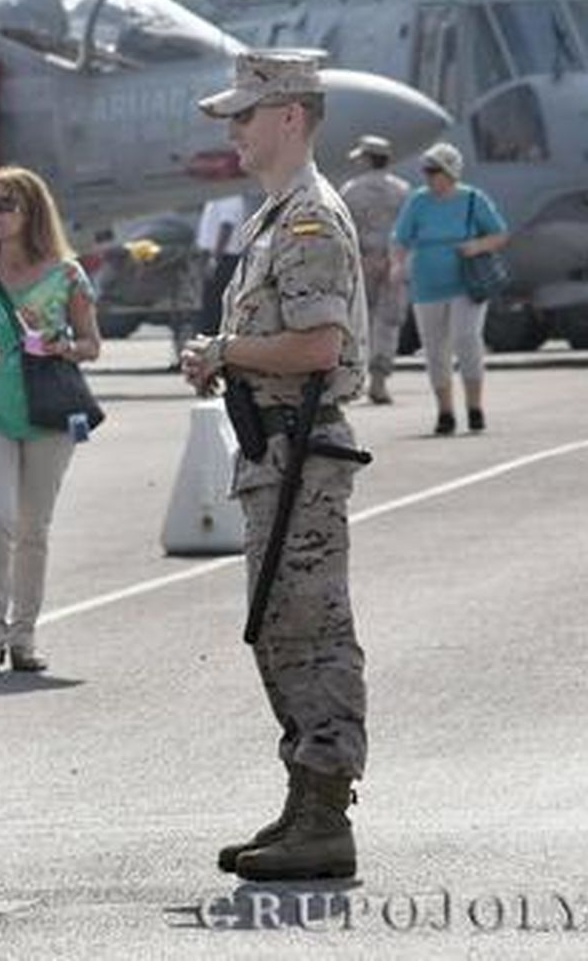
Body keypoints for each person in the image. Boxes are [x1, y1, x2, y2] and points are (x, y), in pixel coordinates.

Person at [180, 51, 370, 882]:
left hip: (301, 452)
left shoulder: (308, 220)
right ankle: (305, 799)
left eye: (246, 115)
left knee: (310, 627)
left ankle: (326, 813)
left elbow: (318, 345)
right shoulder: (272, 216)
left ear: (290, 116)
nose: (235, 130)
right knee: (279, 626)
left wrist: (225, 349)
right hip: (273, 450)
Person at [0, 165, 101, 674]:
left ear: (31, 211)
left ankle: (24, 637)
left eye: (6, 205)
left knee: (32, 529)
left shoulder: (66, 275)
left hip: (49, 413)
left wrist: (63, 345)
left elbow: (93, 345)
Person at [388, 141, 510, 434]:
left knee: (466, 339)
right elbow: (400, 238)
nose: (428, 177)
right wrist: (396, 263)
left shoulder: (472, 199)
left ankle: (475, 407)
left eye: (434, 171)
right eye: (426, 171)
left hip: (466, 284)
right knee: (434, 350)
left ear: (451, 172)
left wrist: (477, 245)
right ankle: (445, 412)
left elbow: (500, 234)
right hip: (426, 285)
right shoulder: (418, 201)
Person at [338, 135, 411, 404]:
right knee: (389, 322)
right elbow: (408, 231)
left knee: (358, 320)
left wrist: (359, 258)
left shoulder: (350, 189)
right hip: (394, 262)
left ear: (368, 158)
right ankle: (379, 380)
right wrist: (395, 259)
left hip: (362, 261)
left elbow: (344, 230)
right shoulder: (402, 190)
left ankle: (355, 377)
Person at [192, 193, 247, 338]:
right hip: (217, 255)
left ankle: (212, 340)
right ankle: (208, 339)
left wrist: (215, 258)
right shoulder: (216, 196)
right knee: (209, 303)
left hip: (225, 257)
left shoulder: (229, 195)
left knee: (215, 304)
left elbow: (227, 226)